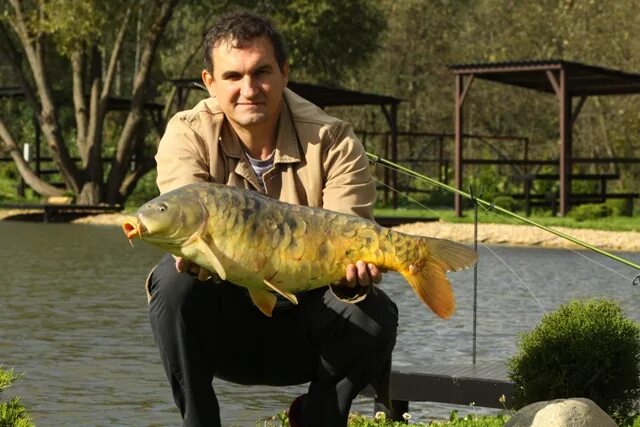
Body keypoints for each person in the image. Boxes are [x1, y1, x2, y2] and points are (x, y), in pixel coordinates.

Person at [147, 10, 398, 427]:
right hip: (224, 329)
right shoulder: (187, 132)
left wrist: (354, 274)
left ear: (284, 72)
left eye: (262, 72)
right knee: (172, 283)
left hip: (306, 329)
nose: (249, 89)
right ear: (209, 82)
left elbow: (350, 236)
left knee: (374, 311)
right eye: (233, 77)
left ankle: (316, 417)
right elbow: (182, 213)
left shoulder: (333, 138)